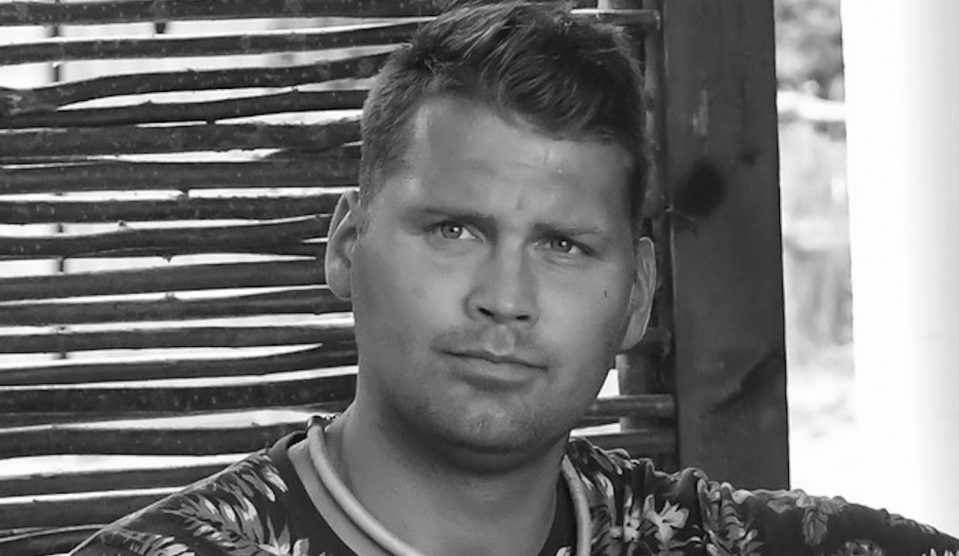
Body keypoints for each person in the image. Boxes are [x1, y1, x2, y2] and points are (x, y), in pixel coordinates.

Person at [71, 3, 959, 555]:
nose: (504, 297)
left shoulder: (719, 544)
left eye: (563, 245)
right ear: (346, 243)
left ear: (636, 295)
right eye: (453, 230)